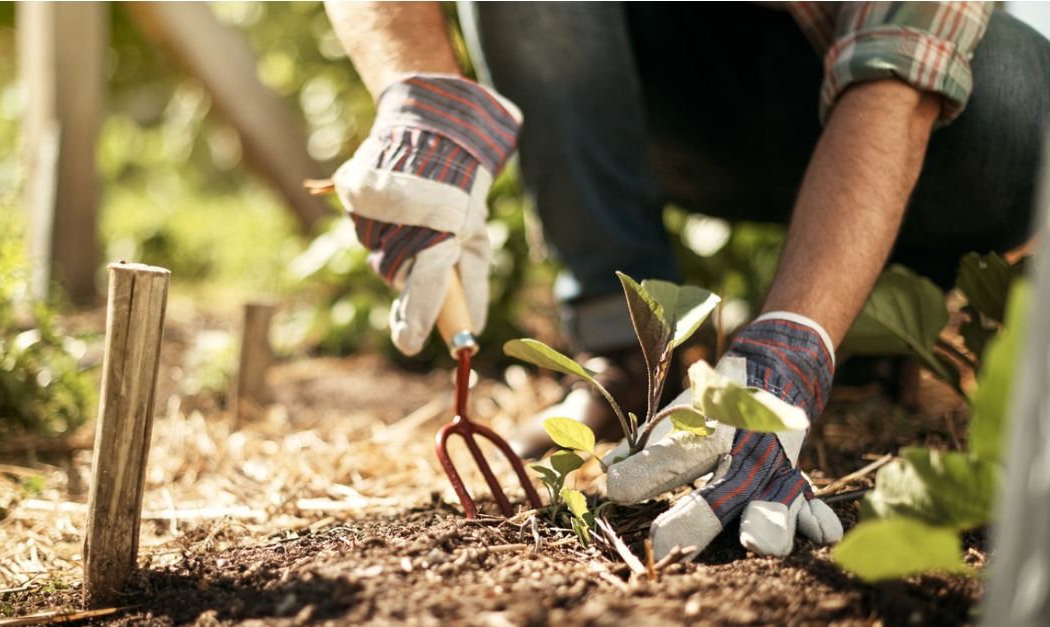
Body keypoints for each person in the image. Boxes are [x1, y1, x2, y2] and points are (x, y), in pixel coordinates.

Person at [322, 2, 1049, 563]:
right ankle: (630, 350)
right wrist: (419, 96)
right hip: (663, 92)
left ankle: (865, 323)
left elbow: (901, 80)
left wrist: (790, 349)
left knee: (1018, 100)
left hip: (879, 89)